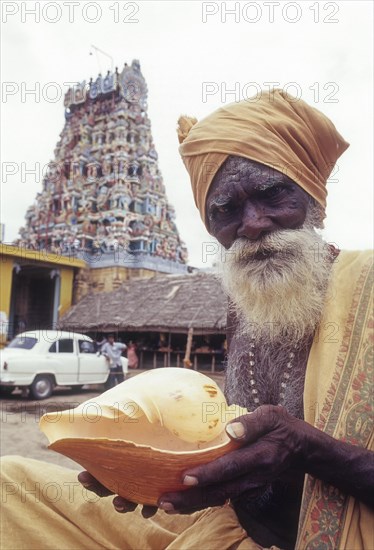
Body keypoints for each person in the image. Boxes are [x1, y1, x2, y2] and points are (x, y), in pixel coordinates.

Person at [1, 90, 373, 550]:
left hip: (330, 539)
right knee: (9, 483)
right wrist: (156, 469)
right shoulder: (248, 302)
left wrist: (310, 451)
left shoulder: (368, 289)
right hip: (223, 526)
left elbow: (291, 449)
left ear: (313, 198)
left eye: (273, 193)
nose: (252, 223)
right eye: (226, 210)